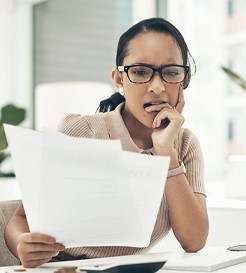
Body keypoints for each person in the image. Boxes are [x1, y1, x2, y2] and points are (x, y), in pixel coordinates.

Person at [5, 17, 209, 268]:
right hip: (60, 268)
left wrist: (166, 152)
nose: (157, 87)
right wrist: (22, 244)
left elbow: (194, 240)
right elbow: (20, 219)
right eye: (140, 72)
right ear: (119, 78)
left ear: (184, 81)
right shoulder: (80, 131)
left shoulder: (185, 144)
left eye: (171, 73)